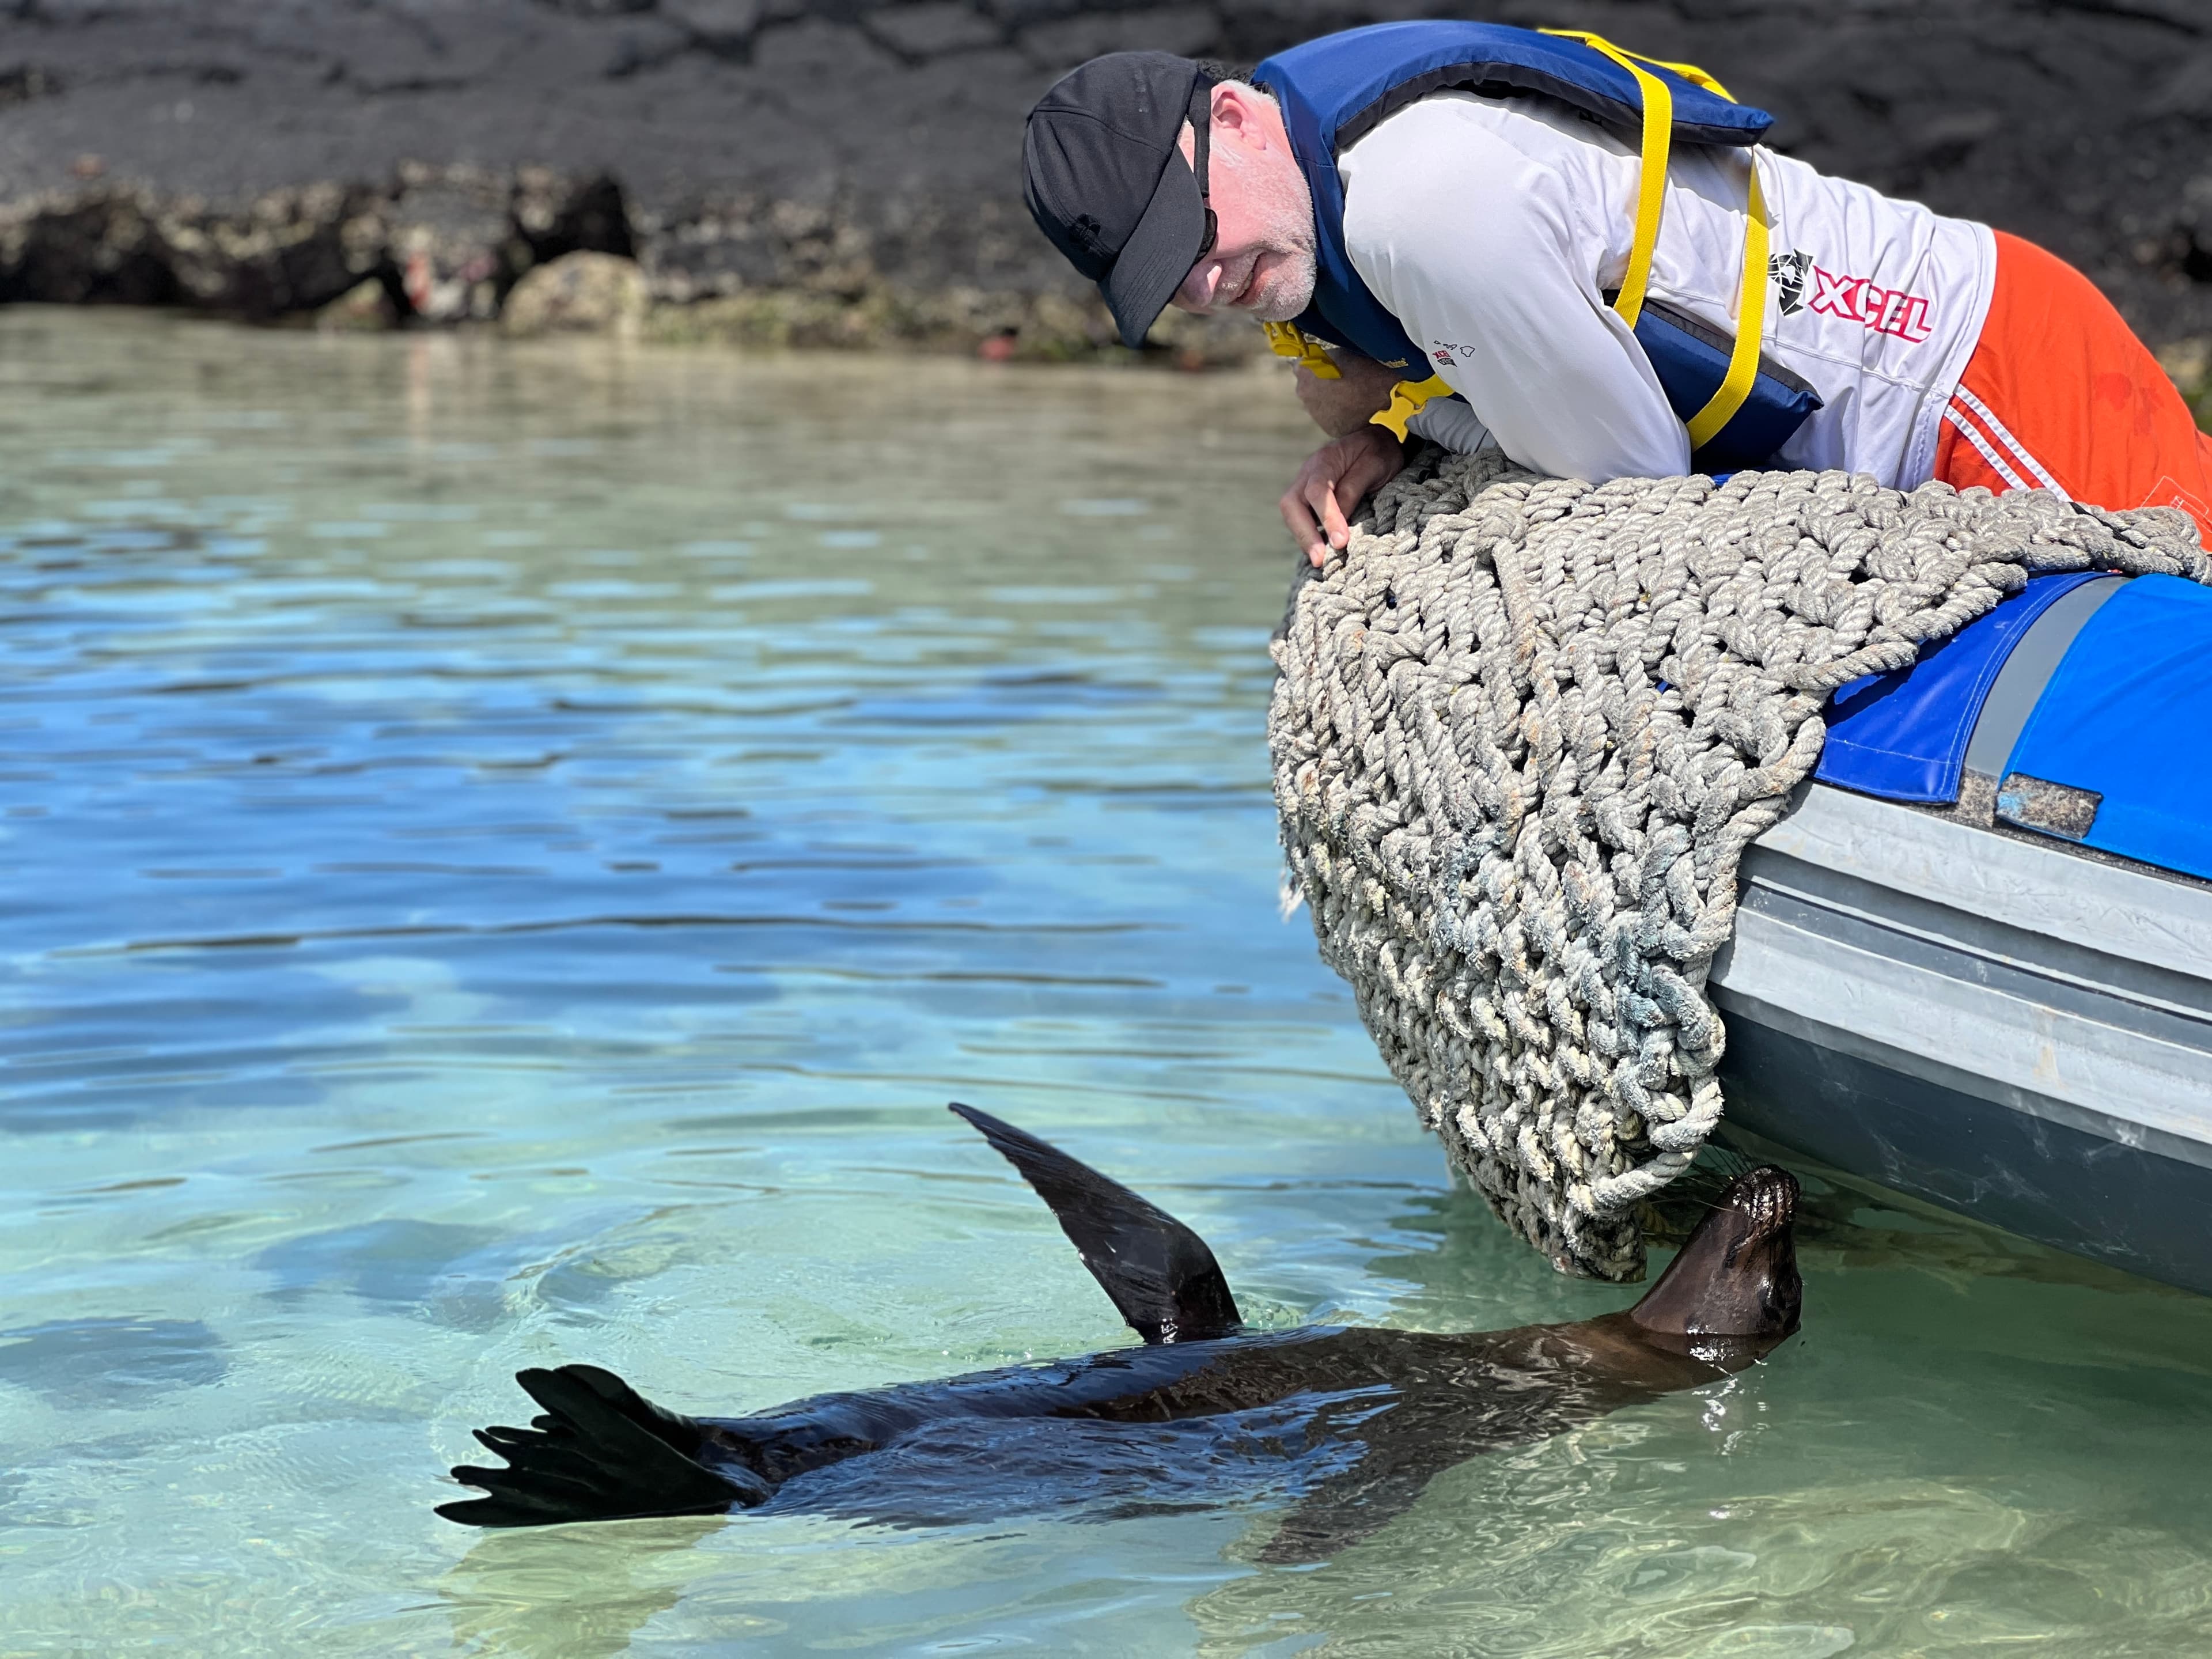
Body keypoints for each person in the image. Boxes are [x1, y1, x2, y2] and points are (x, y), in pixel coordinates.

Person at [1020, 26, 2212, 565]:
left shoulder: (1419, 203)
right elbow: (1376, 382)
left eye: (1193, 231)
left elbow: (1631, 483)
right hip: (1911, 422)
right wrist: (1386, 425)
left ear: (1229, 116)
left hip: (1973, 374)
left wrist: (1415, 418)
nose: (1203, 280)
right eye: (1160, 281)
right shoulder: (1304, 204)